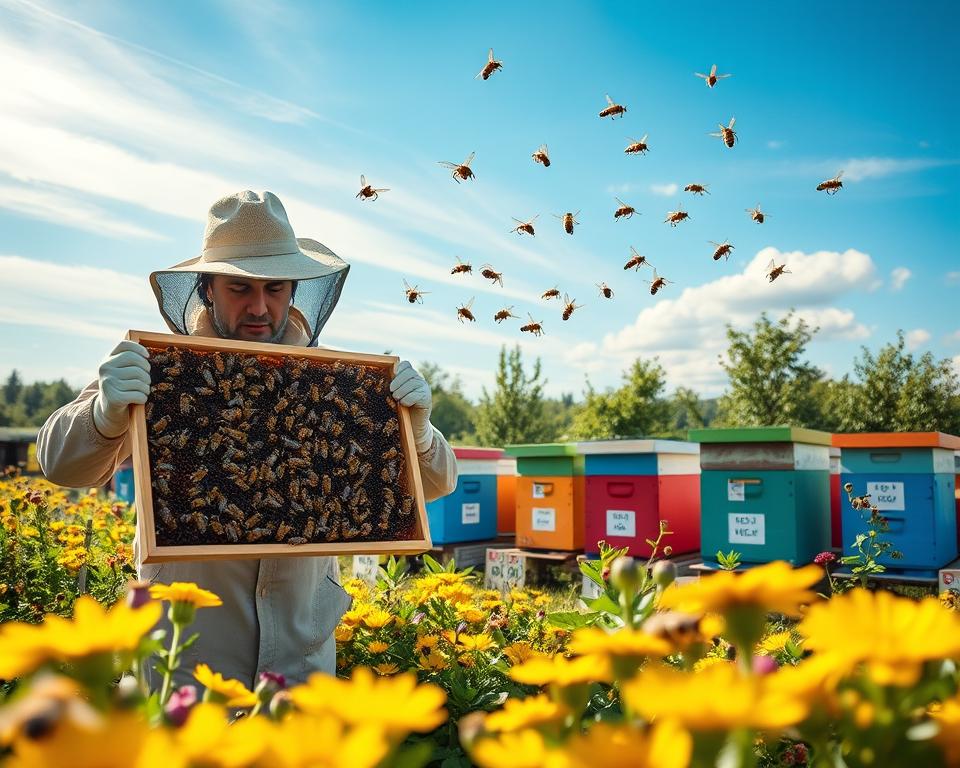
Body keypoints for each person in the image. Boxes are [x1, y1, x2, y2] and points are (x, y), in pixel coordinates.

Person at [37, 190, 458, 689]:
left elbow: (434, 487)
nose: (259, 306)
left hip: (300, 673)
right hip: (188, 668)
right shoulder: (160, 367)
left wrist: (419, 432)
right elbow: (61, 464)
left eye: (274, 288)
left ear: (295, 290)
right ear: (208, 288)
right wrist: (103, 413)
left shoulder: (342, 382)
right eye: (240, 288)